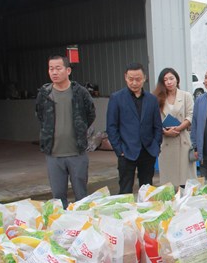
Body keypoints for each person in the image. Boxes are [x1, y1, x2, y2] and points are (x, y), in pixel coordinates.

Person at [36, 55, 95, 209]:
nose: (54, 72)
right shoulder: (44, 93)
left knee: (81, 196)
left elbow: (90, 114)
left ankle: (81, 221)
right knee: (58, 197)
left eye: (58, 68)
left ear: (68, 70)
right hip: (54, 154)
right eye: (51, 69)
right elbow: (40, 115)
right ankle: (62, 222)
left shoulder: (80, 92)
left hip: (77, 153)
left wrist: (80, 129)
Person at [106, 63, 162, 194]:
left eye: (138, 79)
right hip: (126, 150)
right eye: (131, 79)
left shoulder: (152, 99)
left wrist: (155, 145)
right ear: (125, 77)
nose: (134, 83)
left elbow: (157, 126)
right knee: (125, 189)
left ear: (144, 78)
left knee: (147, 189)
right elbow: (111, 126)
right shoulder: (116, 98)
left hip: (148, 150)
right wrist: (119, 149)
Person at [153, 67, 197, 188]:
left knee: (186, 179)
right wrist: (164, 132)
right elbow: (153, 120)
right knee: (169, 181)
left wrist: (178, 128)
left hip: (183, 139)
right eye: (165, 79)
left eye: (171, 78)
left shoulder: (186, 96)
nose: (169, 82)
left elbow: (191, 115)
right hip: (166, 141)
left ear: (177, 79)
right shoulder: (157, 98)